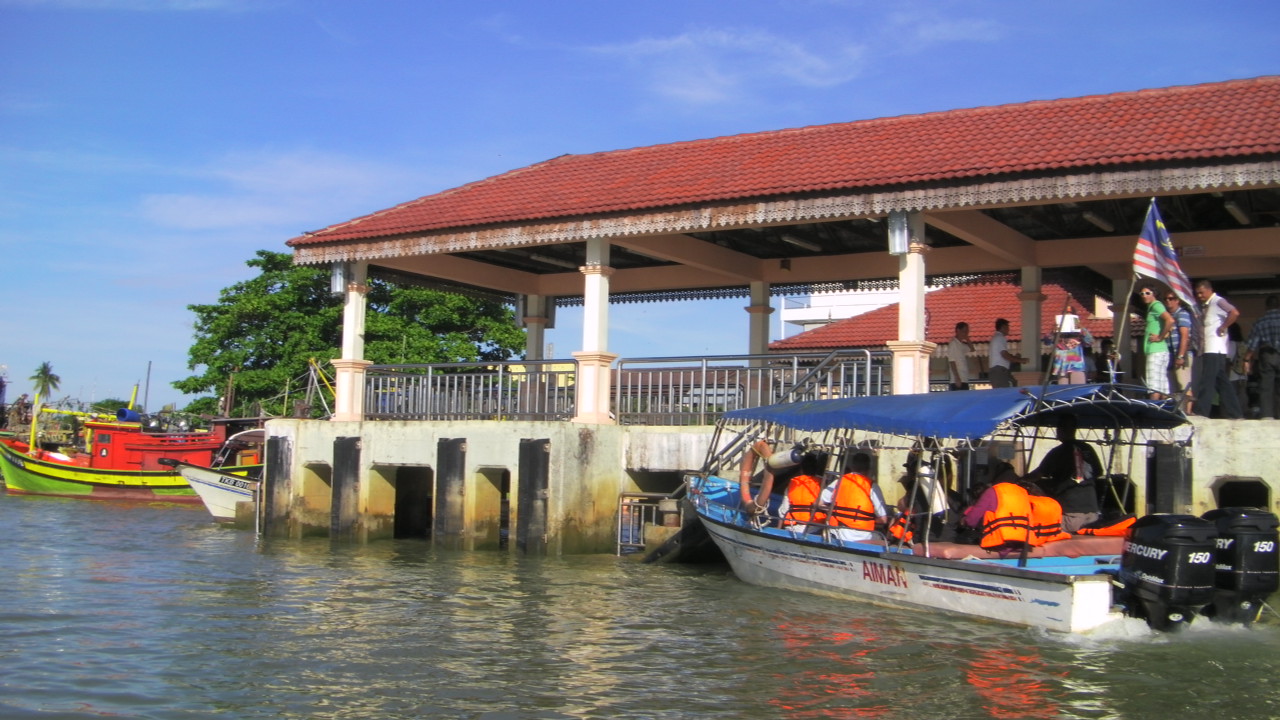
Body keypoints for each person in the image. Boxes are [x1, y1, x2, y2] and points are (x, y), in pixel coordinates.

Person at [1027, 415, 1103, 532]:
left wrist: (1019, 481)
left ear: (1062, 430)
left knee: (1037, 527)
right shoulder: (1088, 448)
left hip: (1071, 514)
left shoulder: (1058, 452)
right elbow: (1098, 472)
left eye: (1058, 428)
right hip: (1093, 514)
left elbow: (1037, 474)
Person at [1191, 279, 1243, 418]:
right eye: (1197, 293)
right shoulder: (1206, 305)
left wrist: (1223, 326)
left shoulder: (1217, 301)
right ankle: (1235, 413)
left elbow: (1234, 313)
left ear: (1209, 290)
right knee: (1222, 383)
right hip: (1212, 348)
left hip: (1214, 348)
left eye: (1202, 292)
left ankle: (1201, 411)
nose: (1200, 296)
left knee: (1207, 380)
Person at [819, 452, 888, 543]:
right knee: (883, 540)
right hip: (863, 536)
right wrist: (865, 519)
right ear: (869, 469)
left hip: (838, 533)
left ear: (852, 467)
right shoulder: (872, 486)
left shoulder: (838, 482)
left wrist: (832, 512)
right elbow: (883, 520)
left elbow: (819, 503)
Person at [1243, 294, 1280, 419]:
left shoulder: (1260, 322)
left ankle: (1267, 415)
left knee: (1266, 385)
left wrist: (1246, 359)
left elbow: (1252, 344)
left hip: (1267, 354)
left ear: (1266, 307)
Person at [777, 451, 828, 532]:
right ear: (816, 469)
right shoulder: (822, 484)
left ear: (801, 469)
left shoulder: (793, 483)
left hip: (792, 526)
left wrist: (778, 529)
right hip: (814, 526)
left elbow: (784, 509)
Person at [1139, 283, 1174, 400]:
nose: (1144, 295)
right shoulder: (1154, 307)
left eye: (1147, 293)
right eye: (1142, 293)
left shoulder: (1155, 305)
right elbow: (1170, 326)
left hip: (1155, 350)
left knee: (1154, 387)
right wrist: (1164, 335)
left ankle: (1153, 409)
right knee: (1162, 387)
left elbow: (1170, 320)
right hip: (1161, 350)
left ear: (1154, 294)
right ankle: (1164, 408)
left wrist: (1160, 337)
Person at [1164, 291, 1196, 411]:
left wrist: (1181, 356)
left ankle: (1188, 411)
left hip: (1181, 354)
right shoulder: (1169, 316)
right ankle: (1178, 410)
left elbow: (1185, 336)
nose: (1168, 301)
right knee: (1174, 386)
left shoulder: (1182, 314)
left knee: (1184, 384)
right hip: (1171, 354)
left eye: (1171, 298)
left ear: (1177, 300)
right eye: (1166, 299)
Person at [988, 318, 1027, 388]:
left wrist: (1015, 358)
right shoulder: (999, 338)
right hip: (999, 371)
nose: (1009, 329)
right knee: (1003, 392)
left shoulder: (997, 337)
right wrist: (1020, 360)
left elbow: (1004, 355)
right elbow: (1004, 355)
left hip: (999, 371)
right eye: (1008, 327)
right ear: (1003, 327)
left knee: (1012, 383)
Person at [947, 322, 974, 390]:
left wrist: (967, 338)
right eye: (964, 331)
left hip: (964, 378)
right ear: (958, 330)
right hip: (957, 380)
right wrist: (957, 377)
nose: (966, 333)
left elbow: (972, 349)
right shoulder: (953, 344)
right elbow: (952, 361)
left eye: (967, 332)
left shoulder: (961, 344)